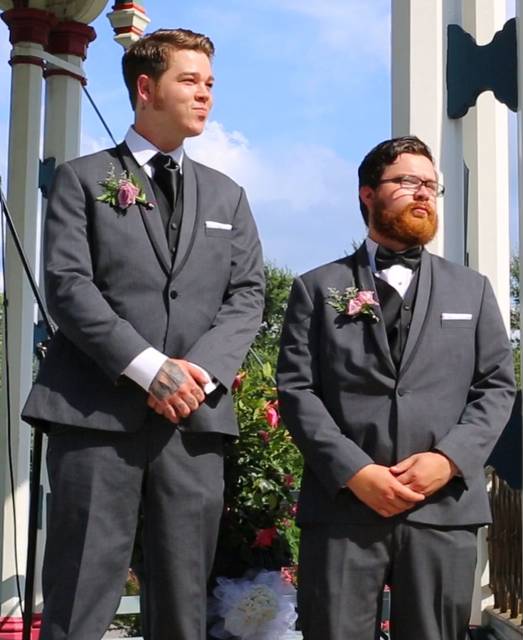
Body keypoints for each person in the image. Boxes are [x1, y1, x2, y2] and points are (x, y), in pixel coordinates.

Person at [22, 29, 264, 639]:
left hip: (194, 423)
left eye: (210, 83)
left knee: (185, 601)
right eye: (190, 81)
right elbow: (69, 287)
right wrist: (149, 367)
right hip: (96, 414)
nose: (205, 94)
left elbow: (247, 296)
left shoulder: (228, 197)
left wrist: (195, 374)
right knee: (80, 593)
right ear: (145, 88)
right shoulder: (83, 180)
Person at [276, 136, 515, 640]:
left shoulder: (472, 290)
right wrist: (355, 471)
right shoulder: (317, 289)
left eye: (431, 184)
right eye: (408, 182)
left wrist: (447, 460)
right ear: (368, 193)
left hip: (442, 509)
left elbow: (495, 388)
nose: (423, 193)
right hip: (343, 507)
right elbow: (298, 391)